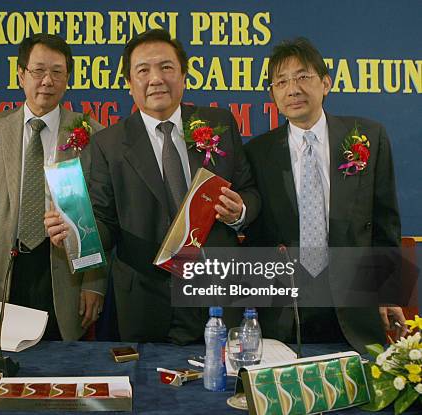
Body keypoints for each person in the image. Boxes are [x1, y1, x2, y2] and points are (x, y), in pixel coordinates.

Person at [47, 29, 260, 344]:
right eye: (143, 70)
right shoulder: (109, 143)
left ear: (184, 75)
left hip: (216, 294)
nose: (156, 78)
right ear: (129, 84)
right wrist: (75, 233)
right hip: (144, 301)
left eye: (166, 67)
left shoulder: (220, 123)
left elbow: (251, 191)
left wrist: (240, 210)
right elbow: (105, 223)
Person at [244, 37, 405, 352]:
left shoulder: (368, 138)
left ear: (326, 83)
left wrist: (387, 293)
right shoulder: (257, 153)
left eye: (303, 77)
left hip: (354, 307)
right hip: (285, 312)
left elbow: (386, 224)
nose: (293, 89)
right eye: (281, 82)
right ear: (273, 94)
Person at [0, 33, 106, 341]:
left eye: (57, 72)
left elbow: (103, 217)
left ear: (68, 78)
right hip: (4, 269)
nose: (47, 81)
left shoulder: (92, 134)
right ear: (21, 75)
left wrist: (93, 282)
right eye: (38, 71)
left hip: (65, 273)